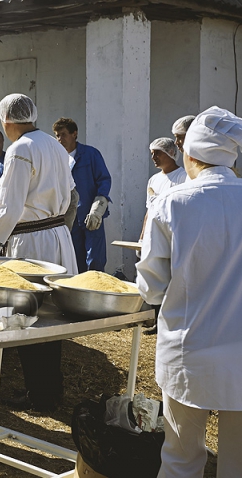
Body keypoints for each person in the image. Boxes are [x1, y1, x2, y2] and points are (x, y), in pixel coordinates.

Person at [136, 106, 242, 478]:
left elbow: (151, 286)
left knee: (180, 459)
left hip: (188, 352)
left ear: (190, 152)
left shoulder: (173, 203)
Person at [0, 94, 77, 412]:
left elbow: (8, 209)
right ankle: (51, 390)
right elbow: (71, 193)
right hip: (57, 234)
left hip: (32, 242)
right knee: (53, 317)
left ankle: (40, 394)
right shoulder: (54, 145)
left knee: (29, 317)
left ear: (6, 121)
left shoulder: (21, 149)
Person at [53, 117, 112, 272]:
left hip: (90, 216)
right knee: (73, 261)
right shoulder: (56, 159)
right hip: (68, 219)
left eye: (63, 134)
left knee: (95, 261)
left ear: (74, 134)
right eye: (57, 135)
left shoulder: (90, 154)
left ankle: (96, 293)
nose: (60, 139)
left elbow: (104, 180)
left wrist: (98, 208)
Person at [140, 138, 187, 241]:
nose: (153, 157)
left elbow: (182, 211)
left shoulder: (183, 177)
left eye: (157, 153)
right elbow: (149, 211)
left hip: (173, 237)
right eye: (152, 153)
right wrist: (142, 239)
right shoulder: (153, 180)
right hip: (154, 237)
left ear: (170, 152)